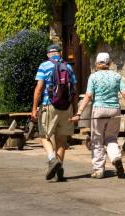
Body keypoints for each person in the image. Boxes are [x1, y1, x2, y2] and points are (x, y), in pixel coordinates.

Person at [71, 52, 125, 179]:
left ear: (97, 64)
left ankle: (99, 170)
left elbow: (88, 96)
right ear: (109, 63)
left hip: (99, 109)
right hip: (114, 110)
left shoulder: (93, 77)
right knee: (111, 138)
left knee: (97, 140)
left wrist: (78, 113)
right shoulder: (116, 76)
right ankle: (116, 157)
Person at [31, 43, 76, 182]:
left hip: (49, 105)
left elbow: (39, 88)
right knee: (61, 140)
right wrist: (75, 111)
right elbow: (74, 90)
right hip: (66, 107)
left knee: (44, 135)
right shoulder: (68, 67)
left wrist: (34, 108)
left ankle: (52, 160)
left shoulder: (44, 66)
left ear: (48, 54)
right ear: (60, 53)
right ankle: (59, 169)